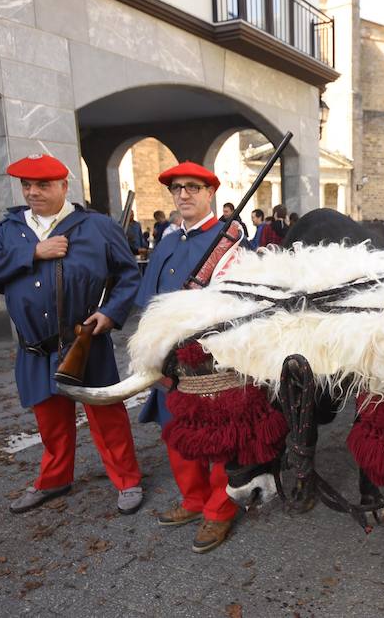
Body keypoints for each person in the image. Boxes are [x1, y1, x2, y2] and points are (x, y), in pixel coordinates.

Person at [0, 154, 143, 515]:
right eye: (27, 185)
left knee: (106, 417)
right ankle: (54, 479)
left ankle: (127, 479)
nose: (32, 192)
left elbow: (129, 274)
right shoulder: (10, 230)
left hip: (85, 340)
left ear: (64, 186)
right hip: (35, 347)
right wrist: (33, 252)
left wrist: (112, 312)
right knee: (50, 422)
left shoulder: (97, 227)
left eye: (43, 185)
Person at [135, 161, 239, 554]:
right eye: (177, 188)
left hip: (206, 362)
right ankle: (194, 500)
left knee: (215, 441)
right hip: (166, 357)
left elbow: (232, 307)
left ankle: (219, 509)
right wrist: (151, 348)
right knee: (175, 432)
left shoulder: (227, 243)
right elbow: (147, 297)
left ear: (210, 193)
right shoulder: (166, 240)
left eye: (193, 187)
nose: (184, 195)